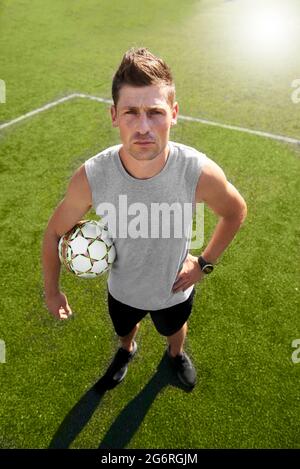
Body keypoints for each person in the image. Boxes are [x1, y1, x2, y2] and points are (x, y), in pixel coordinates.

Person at [42, 47, 247, 390]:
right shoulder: (93, 176)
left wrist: (204, 263)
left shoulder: (197, 172)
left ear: (174, 113)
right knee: (124, 328)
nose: (143, 127)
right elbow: (53, 234)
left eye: (155, 112)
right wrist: (51, 291)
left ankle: (175, 355)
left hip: (174, 290)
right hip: (122, 289)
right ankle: (127, 349)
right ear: (113, 116)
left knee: (174, 329)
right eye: (131, 113)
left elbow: (235, 211)